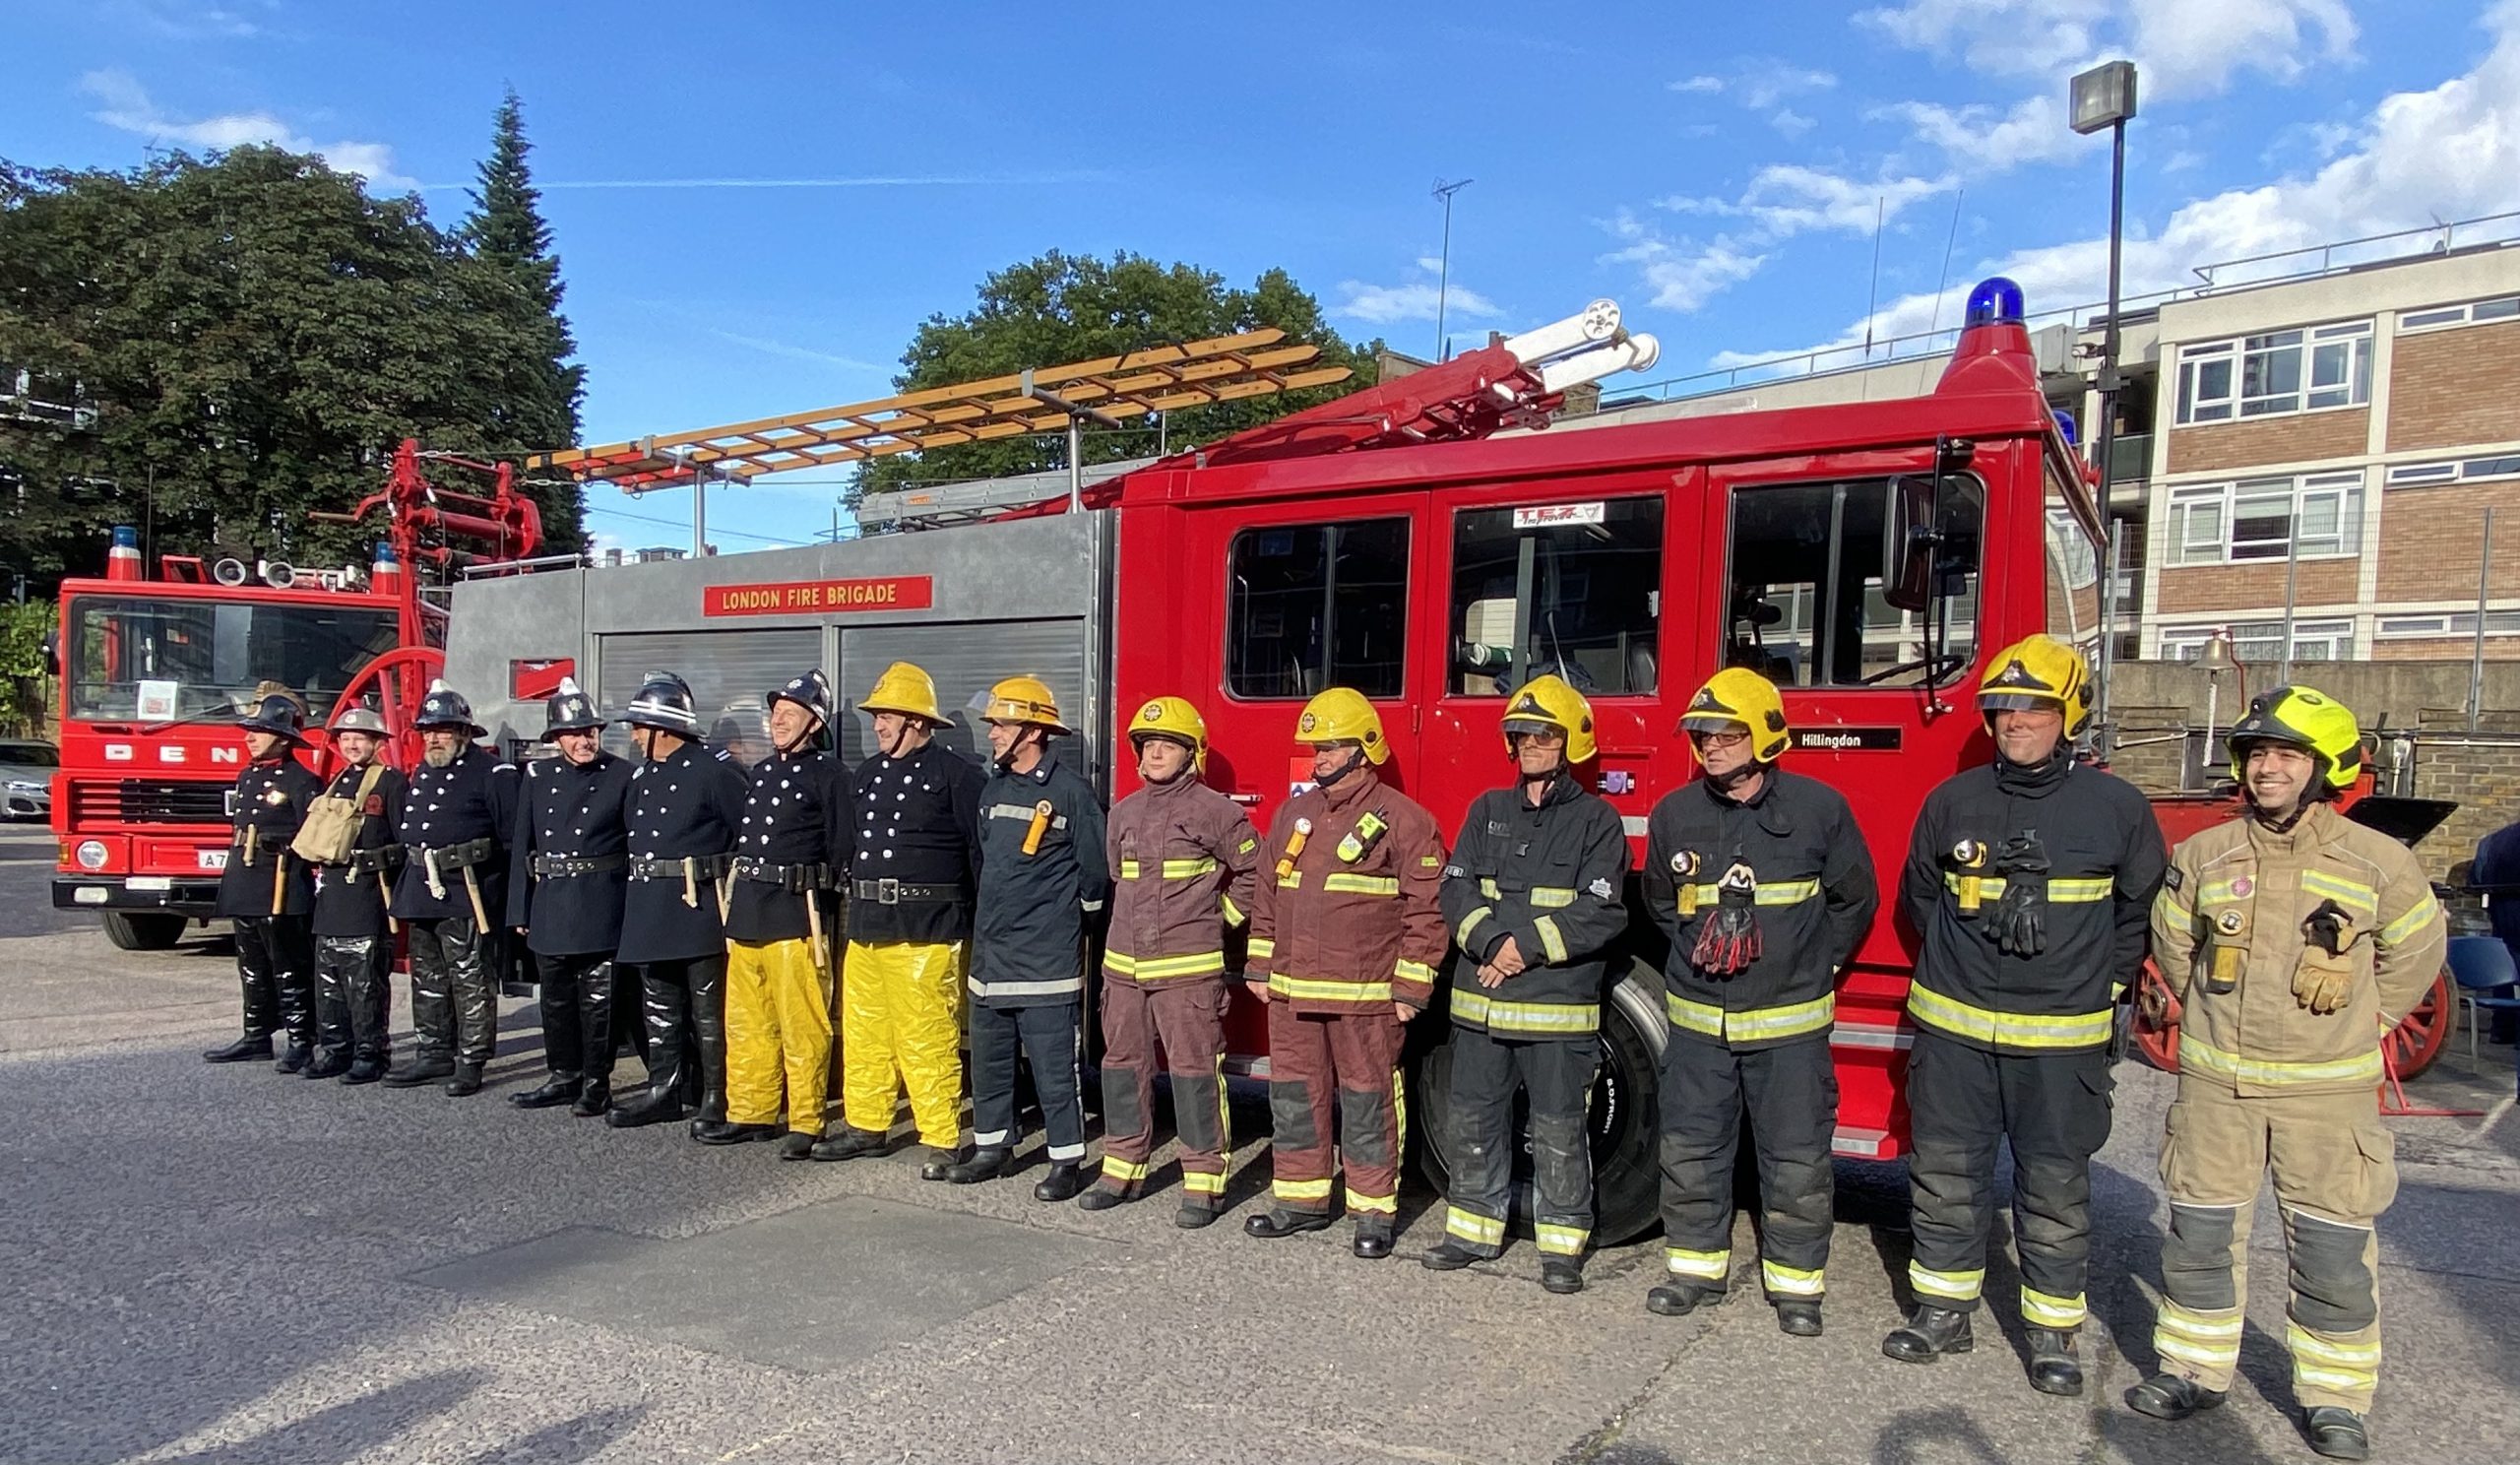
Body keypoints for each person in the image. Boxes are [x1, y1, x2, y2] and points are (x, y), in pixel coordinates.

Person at [2132, 686, 2446, 1461]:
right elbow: (2176, 948)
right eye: (2257, 754)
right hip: (2216, 1094)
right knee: (2199, 1238)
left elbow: (2416, 955)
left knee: (2332, 1249)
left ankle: (2335, 1397)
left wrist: (2363, 1024)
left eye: (2286, 755)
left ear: (2324, 767)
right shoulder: (2205, 855)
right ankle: (2192, 1369)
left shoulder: (2379, 863)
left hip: (2325, 1100)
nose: (2267, 769)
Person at [1884, 635, 2166, 1396]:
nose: (2015, 721)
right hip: (1955, 1034)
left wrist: (2098, 988)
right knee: (1945, 1175)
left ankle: (2051, 1333)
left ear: (2069, 714)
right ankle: (1942, 1313)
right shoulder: (1953, 801)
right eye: (2002, 707)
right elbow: (1920, 900)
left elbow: (2138, 915)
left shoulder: (2117, 808)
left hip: (2061, 1040)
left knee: (2052, 1185)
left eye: (2034, 707)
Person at [1640, 669, 1876, 1332]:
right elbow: (1661, 900)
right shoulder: (1675, 814)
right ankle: (1693, 1272)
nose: (1710, 746)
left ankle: (1798, 1288)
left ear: (1765, 736)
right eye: (1702, 735)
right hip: (1698, 1023)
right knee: (1691, 1148)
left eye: (1726, 734)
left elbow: (1854, 898)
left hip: (1788, 1024)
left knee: (1795, 1154)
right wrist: (1695, 951)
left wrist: (1814, 962)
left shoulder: (1817, 809)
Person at [1422, 675, 1630, 1294]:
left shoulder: (1598, 820)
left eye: (1543, 734)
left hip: (1552, 1010)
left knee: (1560, 1126)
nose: (1530, 745)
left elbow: (1603, 909)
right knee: (1472, 1119)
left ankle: (1562, 1245)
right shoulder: (1487, 810)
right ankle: (1471, 1231)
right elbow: (1455, 888)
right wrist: (1490, 942)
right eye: (1520, 735)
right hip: (1481, 1007)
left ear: (1570, 743)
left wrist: (1521, 948)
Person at [1243, 687, 1447, 1260]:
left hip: (1365, 998)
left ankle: (1373, 1211)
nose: (1320, 756)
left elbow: (1427, 908)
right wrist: (1259, 964)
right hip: (1291, 995)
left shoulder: (1404, 821)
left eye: (1331, 745)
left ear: (1364, 749)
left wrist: (1411, 986)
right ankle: (1302, 1201)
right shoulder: (1295, 813)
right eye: (1316, 746)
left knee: (1367, 1099)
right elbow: (1266, 894)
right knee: (1294, 1098)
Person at [1078, 695, 1260, 1226]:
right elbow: (1118, 879)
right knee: (1121, 1068)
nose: (1155, 753)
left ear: (1191, 752)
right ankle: (1122, 1167)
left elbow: (1255, 873)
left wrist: (1218, 917)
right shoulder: (1125, 813)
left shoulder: (1217, 812)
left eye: (1167, 745)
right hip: (1124, 974)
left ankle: (1204, 1180)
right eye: (1148, 745)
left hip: (1186, 972)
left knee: (1194, 1072)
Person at [933, 676, 1109, 1201]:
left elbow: (1095, 875)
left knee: (1055, 1066)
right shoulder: (995, 788)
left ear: (1033, 731)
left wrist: (1069, 924)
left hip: (1046, 958)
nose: (992, 734)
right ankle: (993, 1147)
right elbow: (987, 861)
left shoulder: (1070, 792)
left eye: (1002, 725)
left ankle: (1065, 1160)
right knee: (988, 1058)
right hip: (992, 956)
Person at [809, 662, 983, 1166]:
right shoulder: (866, 774)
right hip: (867, 924)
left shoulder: (956, 776)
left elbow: (978, 854)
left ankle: (940, 1136)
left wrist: (976, 924)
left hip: (926, 929)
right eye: (877, 717)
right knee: (865, 1033)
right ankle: (866, 1125)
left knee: (926, 1035)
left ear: (916, 721)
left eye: (886, 716)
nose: (877, 726)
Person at [708, 669, 847, 1159]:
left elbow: (841, 849)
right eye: (775, 713)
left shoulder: (830, 775)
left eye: (790, 714)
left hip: (796, 914)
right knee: (746, 1023)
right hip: (748, 911)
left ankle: (807, 1119)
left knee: (801, 1024)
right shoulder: (762, 772)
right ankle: (752, 1112)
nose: (777, 721)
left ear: (815, 723)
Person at [605, 672, 747, 1130]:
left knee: (709, 1012)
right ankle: (663, 1090)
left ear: (662, 729)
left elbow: (745, 833)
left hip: (696, 907)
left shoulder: (713, 772)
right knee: (659, 1007)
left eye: (639, 726)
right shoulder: (644, 775)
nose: (633, 735)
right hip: (651, 905)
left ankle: (715, 1095)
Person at [507, 677, 637, 1117]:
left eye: (590, 731)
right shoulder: (539, 775)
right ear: (556, 738)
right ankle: (563, 1074)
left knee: (599, 999)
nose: (584, 740)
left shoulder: (622, 774)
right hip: (551, 899)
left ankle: (597, 1082)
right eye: (575, 733)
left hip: (601, 898)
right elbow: (523, 844)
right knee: (555, 997)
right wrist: (519, 907)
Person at [385, 679, 521, 1097]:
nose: (434, 737)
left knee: (469, 975)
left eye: (443, 729)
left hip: (467, 891)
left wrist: (505, 899)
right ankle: (433, 1052)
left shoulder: (492, 773)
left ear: (464, 732)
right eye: (428, 730)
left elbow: (512, 840)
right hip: (421, 886)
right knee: (427, 975)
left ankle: (472, 1057)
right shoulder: (424, 770)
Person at [202, 692, 322, 1069]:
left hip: (280, 880)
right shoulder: (248, 775)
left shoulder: (302, 780)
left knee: (288, 965)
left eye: (260, 730)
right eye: (250, 730)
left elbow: (311, 836)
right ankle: (256, 1034)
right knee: (251, 964)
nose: (249, 737)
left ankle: (302, 1039)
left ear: (283, 738)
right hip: (247, 877)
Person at [301, 704, 408, 1084]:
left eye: (359, 738)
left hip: (366, 893)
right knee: (328, 979)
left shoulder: (391, 783)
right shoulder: (338, 781)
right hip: (330, 893)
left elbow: (404, 844)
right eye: (345, 739)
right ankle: (334, 1048)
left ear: (377, 742)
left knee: (364, 983)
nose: (350, 745)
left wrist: (378, 860)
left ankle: (371, 1052)